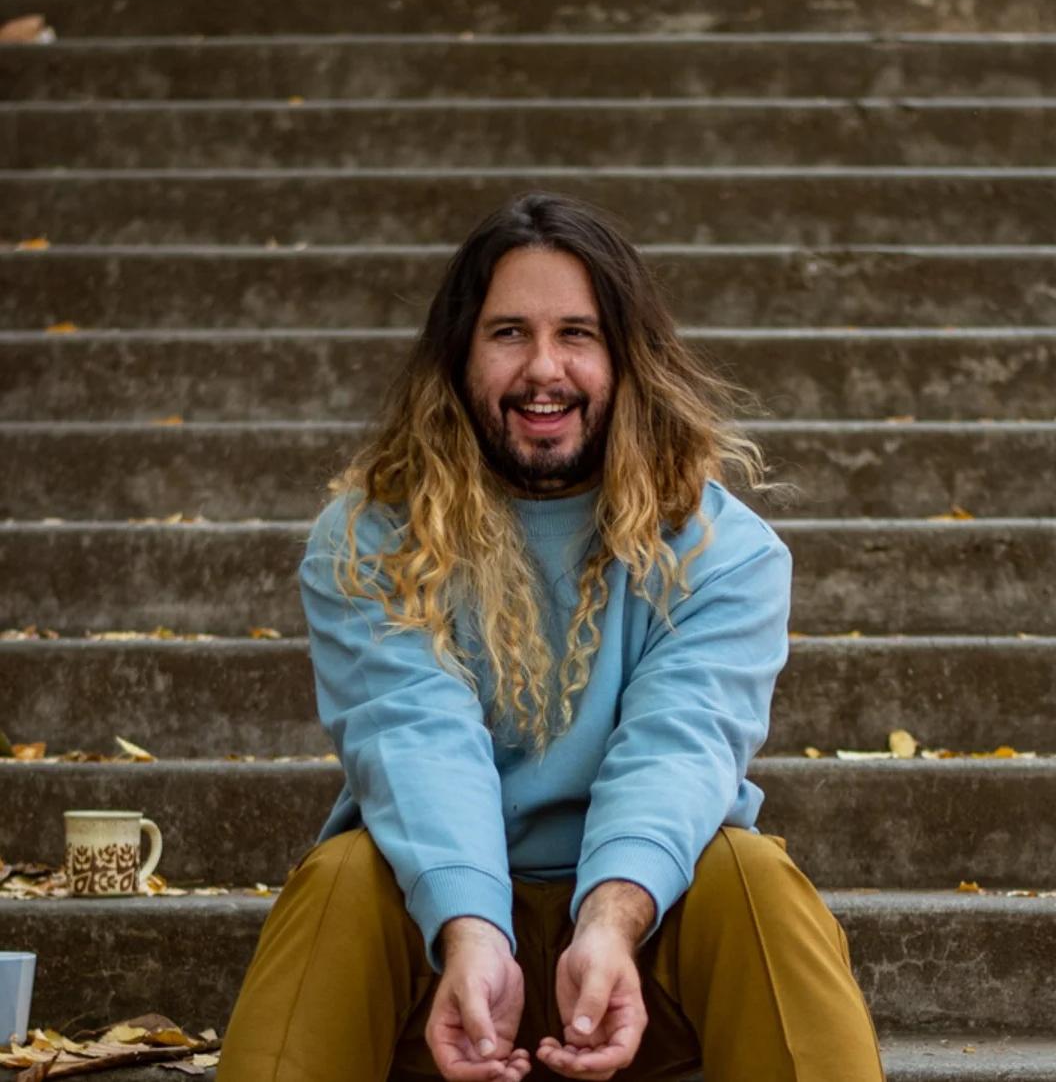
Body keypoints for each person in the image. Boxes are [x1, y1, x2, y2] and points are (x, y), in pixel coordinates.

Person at [217, 192, 886, 1082]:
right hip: (437, 950)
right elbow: (413, 736)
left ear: (626, 356)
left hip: (640, 951)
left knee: (752, 876)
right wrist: (470, 927)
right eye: (507, 333)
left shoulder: (725, 551)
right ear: (457, 357)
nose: (544, 368)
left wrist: (608, 923)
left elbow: (679, 747)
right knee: (342, 877)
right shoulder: (370, 537)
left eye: (577, 333)